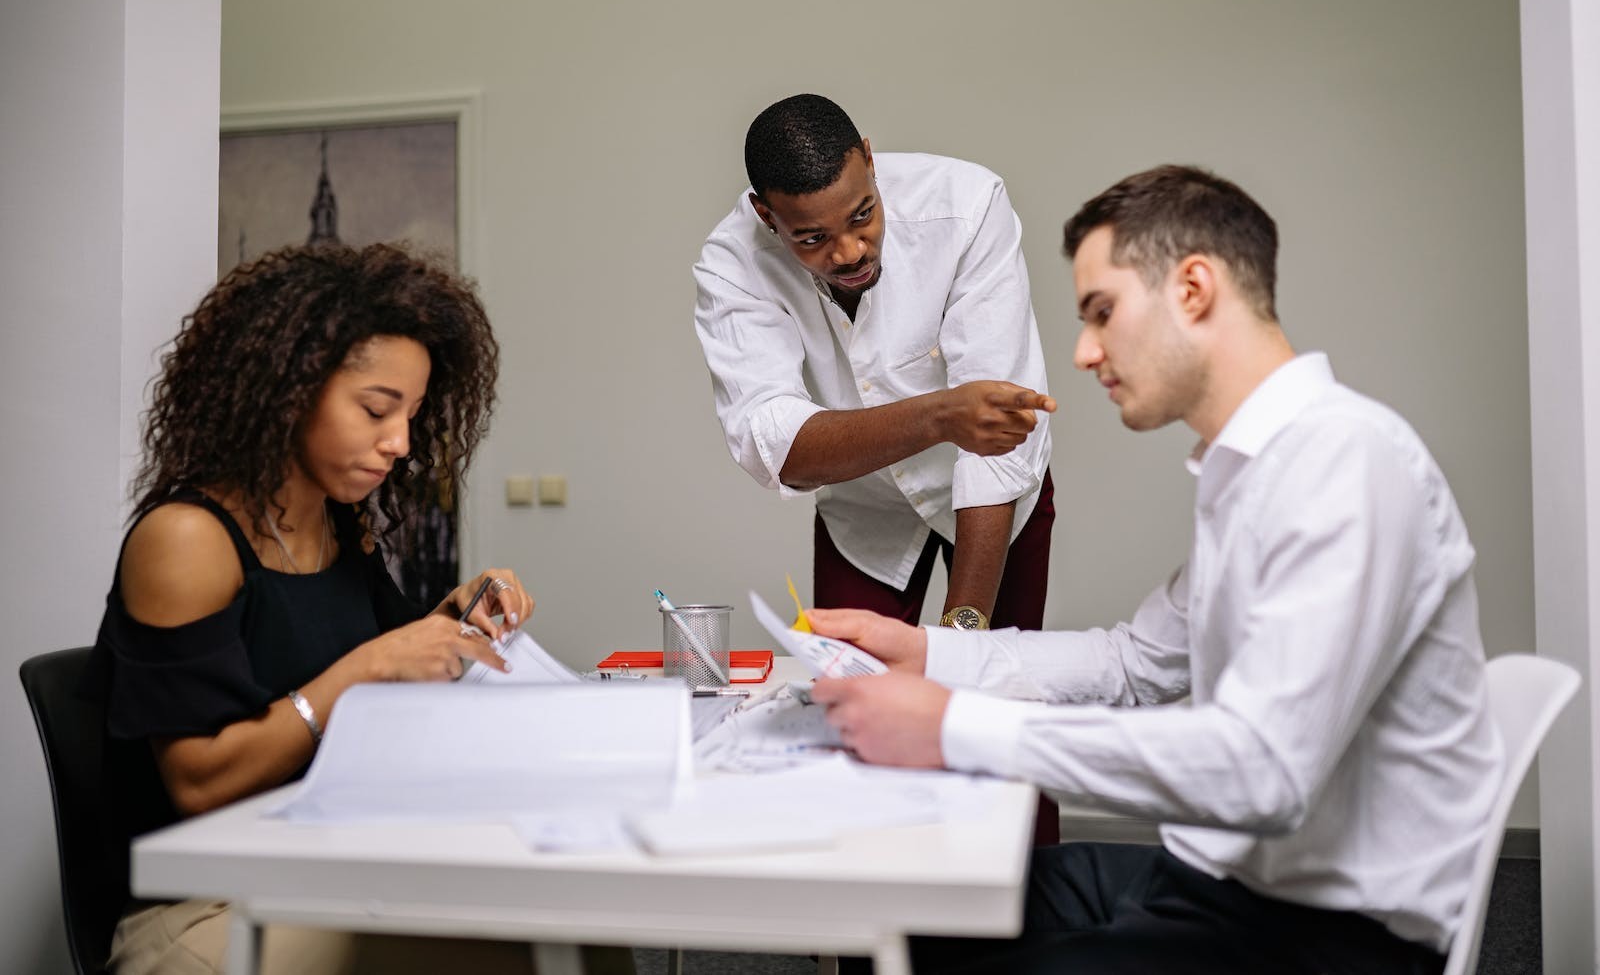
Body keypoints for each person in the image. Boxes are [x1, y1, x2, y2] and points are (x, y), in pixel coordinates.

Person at [808, 165, 1501, 974]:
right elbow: (1133, 663)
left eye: (1102, 313)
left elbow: (1262, 771)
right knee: (903, 916)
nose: (1083, 351)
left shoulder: (1344, 462)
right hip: (1217, 880)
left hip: (1326, 931)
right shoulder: (1254, 470)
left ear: (1195, 288)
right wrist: (929, 654)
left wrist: (956, 727)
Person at [84, 243, 630, 975]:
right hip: (204, 906)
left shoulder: (338, 523)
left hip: (326, 863)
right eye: (377, 409)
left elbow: (397, 646)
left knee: (577, 925)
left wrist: (459, 617)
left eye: (412, 413)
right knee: (531, 944)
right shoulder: (185, 541)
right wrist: (364, 671)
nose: (400, 443)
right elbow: (199, 783)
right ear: (288, 388)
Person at [693, 92, 1057, 639]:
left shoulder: (967, 205)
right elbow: (773, 446)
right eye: (812, 239)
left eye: (863, 215)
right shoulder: (731, 266)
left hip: (999, 503)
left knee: (999, 695)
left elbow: (998, 440)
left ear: (869, 158)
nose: (848, 253)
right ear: (766, 216)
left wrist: (961, 640)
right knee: (855, 696)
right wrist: (941, 416)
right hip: (863, 511)